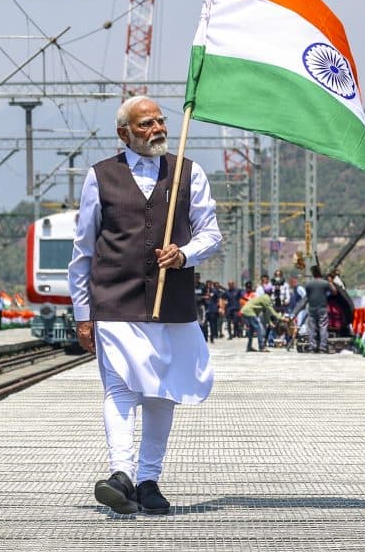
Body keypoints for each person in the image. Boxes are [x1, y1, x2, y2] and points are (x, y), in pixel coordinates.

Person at [69, 95, 222, 516]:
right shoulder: (100, 176)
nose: (157, 129)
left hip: (170, 303)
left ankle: (149, 480)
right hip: (115, 301)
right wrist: (83, 315)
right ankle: (120, 473)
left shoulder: (189, 172)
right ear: (124, 134)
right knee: (120, 388)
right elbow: (83, 250)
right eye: (145, 124)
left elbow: (211, 234)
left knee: (161, 393)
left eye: (160, 121)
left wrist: (185, 254)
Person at [294, 265, 336, 353]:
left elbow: (308, 297)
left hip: (312, 308)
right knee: (323, 327)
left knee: (311, 328)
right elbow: (334, 292)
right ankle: (322, 347)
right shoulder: (325, 283)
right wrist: (330, 282)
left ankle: (312, 347)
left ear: (313, 273)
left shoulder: (309, 284)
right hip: (322, 308)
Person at [240, 288, 281, 352]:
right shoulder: (266, 298)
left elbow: (266, 314)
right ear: (271, 293)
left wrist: (270, 323)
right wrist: (281, 318)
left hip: (245, 311)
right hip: (249, 312)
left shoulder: (263, 297)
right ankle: (261, 347)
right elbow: (272, 311)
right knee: (260, 328)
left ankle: (249, 347)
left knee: (251, 330)